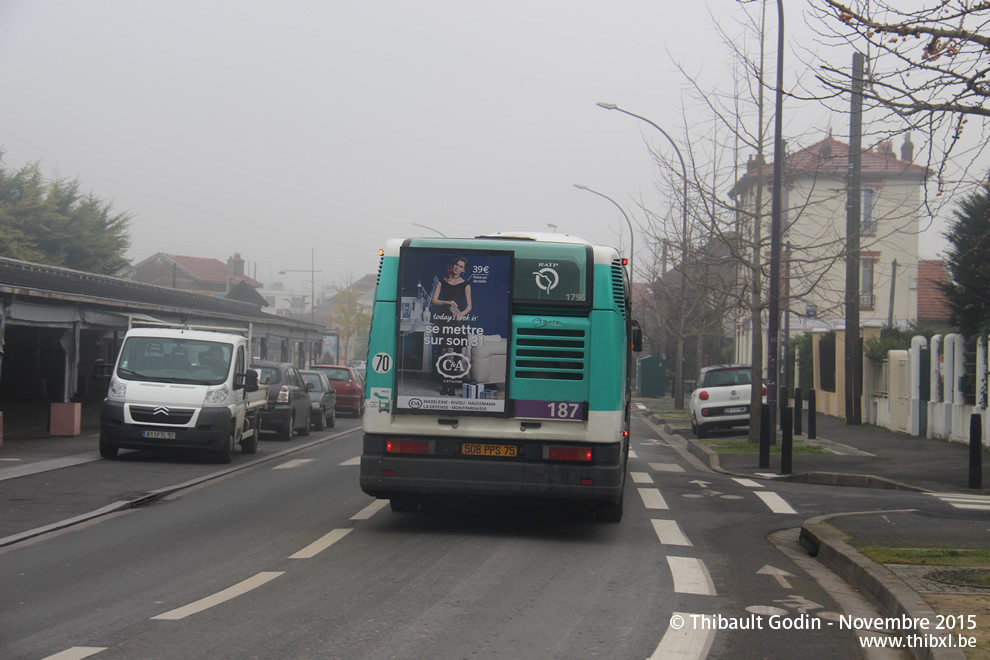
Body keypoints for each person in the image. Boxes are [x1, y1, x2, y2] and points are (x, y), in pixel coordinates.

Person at [430, 256, 473, 396]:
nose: (457, 268)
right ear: (452, 266)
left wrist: (461, 315)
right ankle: (444, 383)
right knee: (442, 353)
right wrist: (447, 302)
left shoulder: (466, 284)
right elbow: (434, 300)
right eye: (456, 265)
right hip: (444, 319)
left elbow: (469, 306)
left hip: (458, 320)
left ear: (464, 270)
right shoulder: (442, 281)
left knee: (457, 354)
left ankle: (452, 385)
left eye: (461, 267)